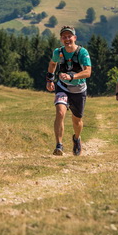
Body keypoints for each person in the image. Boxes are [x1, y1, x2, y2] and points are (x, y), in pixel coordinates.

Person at [46, 26, 92, 156]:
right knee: (60, 113)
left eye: (69, 36)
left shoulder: (82, 52)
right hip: (63, 87)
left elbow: (88, 72)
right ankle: (59, 145)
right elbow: (52, 64)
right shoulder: (58, 52)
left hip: (79, 89)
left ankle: (76, 138)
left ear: (74, 38)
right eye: (64, 37)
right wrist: (50, 79)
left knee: (77, 121)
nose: (67, 39)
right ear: (61, 39)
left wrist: (72, 76)